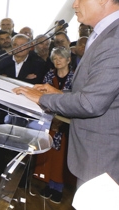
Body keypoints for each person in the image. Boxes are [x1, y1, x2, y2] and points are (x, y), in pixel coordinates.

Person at [14, 0, 119, 198]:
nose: (74, 4)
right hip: (106, 155)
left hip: (112, 159)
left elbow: (91, 104)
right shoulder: (114, 33)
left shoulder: (117, 41)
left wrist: (42, 98)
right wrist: (60, 93)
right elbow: (102, 92)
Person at [34, 46, 76, 204]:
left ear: (68, 60)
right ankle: (49, 184)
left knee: (61, 158)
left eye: (61, 58)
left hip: (67, 124)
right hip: (49, 120)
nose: (57, 61)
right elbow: (42, 96)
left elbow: (76, 101)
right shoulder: (50, 74)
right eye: (55, 58)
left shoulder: (75, 76)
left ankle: (58, 188)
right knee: (48, 154)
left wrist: (60, 120)